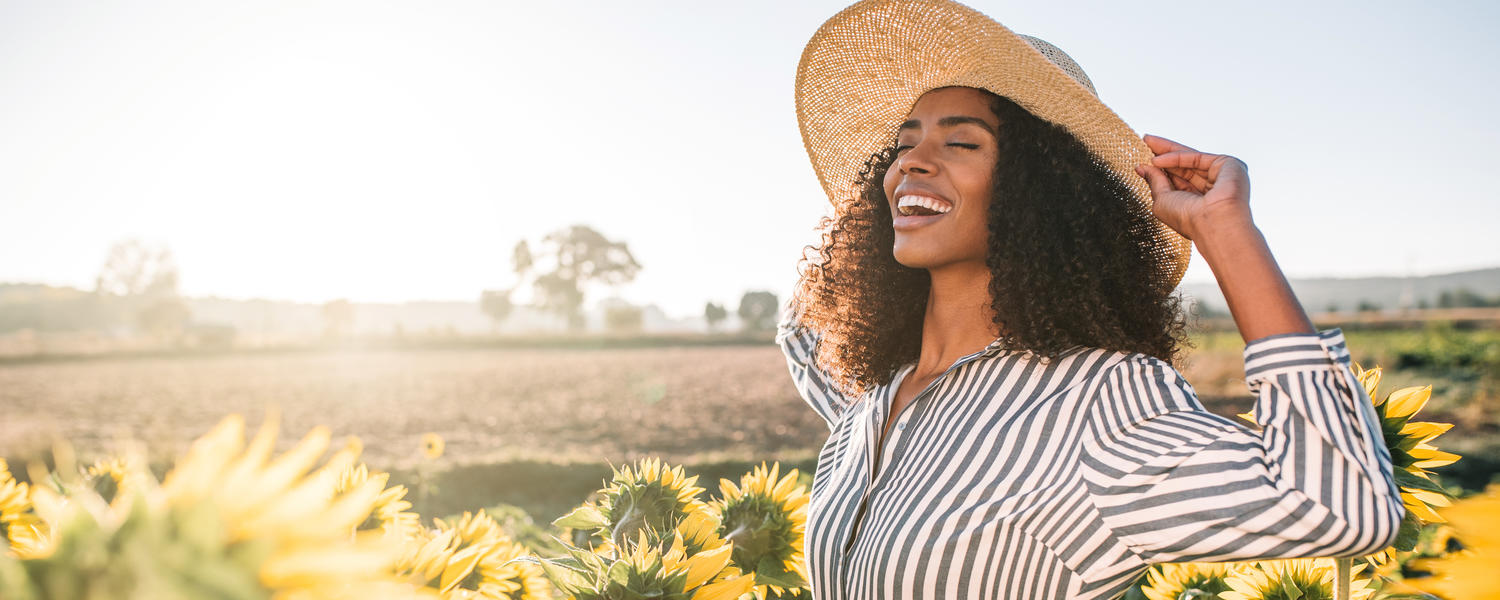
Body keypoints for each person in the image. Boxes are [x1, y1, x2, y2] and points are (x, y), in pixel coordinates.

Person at [776, 1, 1405, 598]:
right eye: (903, 142)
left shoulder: (1095, 403)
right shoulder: (870, 400)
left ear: (1039, 192)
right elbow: (801, 330)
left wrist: (1227, 234)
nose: (911, 160)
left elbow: (1344, 503)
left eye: (961, 142)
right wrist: (846, 261)